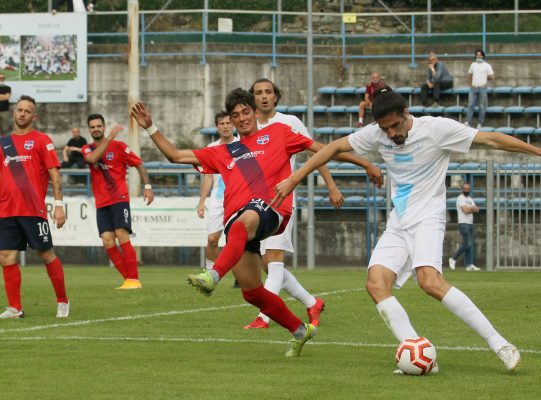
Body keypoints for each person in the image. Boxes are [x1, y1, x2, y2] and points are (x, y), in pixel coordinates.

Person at [272, 88, 541, 372]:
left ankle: (500, 343)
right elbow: (334, 147)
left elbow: (490, 139)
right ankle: (417, 351)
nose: (390, 134)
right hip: (400, 221)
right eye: (384, 129)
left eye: (395, 126)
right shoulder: (377, 133)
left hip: (428, 218)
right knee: (375, 284)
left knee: (429, 282)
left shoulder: (436, 129)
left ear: (406, 114)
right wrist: (294, 179)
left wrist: (537, 151)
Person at [130, 89, 380, 356]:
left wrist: (364, 163)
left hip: (272, 209)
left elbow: (325, 150)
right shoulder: (225, 151)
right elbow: (175, 156)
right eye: (235, 115)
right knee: (251, 292)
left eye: (245, 112)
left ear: (255, 113)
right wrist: (150, 127)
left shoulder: (278, 133)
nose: (241, 118)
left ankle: (213, 274)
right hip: (239, 223)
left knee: (243, 221)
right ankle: (299, 330)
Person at [245, 77, 356, 329]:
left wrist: (330, 185)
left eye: (268, 92)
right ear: (253, 98)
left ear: (276, 96)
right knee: (268, 265)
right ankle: (311, 302)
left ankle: (264, 317)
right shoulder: (249, 126)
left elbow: (316, 152)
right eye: (259, 92)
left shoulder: (289, 122)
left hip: (280, 201)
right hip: (254, 203)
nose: (264, 96)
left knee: (274, 259)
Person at [0, 95, 70, 319]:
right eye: (19, 110)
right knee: (6, 256)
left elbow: (54, 173)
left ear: (34, 116)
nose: (22, 114)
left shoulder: (41, 140)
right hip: (6, 210)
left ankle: (62, 301)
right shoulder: (3, 143)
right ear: (14, 112)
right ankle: (15, 308)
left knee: (46, 254)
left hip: (32, 209)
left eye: (26, 111)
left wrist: (58, 205)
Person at [82, 114, 154, 289]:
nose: (96, 129)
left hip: (119, 199)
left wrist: (148, 186)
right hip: (101, 202)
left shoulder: (119, 147)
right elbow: (91, 160)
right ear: (89, 129)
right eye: (92, 127)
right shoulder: (87, 148)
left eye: (99, 126)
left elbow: (139, 164)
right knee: (107, 240)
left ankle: (134, 279)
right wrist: (110, 138)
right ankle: (128, 280)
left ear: (104, 126)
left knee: (121, 234)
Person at [197, 111, 238, 285]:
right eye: (222, 123)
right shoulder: (212, 148)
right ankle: (210, 274)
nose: (226, 126)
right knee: (212, 239)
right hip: (218, 199)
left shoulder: (242, 145)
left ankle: (240, 276)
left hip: (237, 198)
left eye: (229, 122)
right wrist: (202, 201)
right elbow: (208, 176)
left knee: (236, 239)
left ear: (233, 124)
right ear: (217, 127)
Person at [449, 182, 480, 271]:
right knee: (467, 243)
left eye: (468, 189)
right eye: (465, 189)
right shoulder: (460, 198)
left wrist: (470, 209)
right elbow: (465, 210)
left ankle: (469, 264)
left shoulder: (470, 199)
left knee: (470, 244)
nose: (467, 190)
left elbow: (477, 209)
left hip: (470, 223)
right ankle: (453, 258)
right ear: (462, 189)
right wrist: (471, 209)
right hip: (463, 223)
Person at [466, 49, 494, 129]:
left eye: (480, 55)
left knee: (482, 106)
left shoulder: (487, 65)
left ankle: (480, 123)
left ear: (483, 56)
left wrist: (485, 78)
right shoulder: (473, 65)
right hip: (473, 88)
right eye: (477, 55)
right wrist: (470, 84)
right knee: (470, 105)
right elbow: (469, 75)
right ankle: (468, 122)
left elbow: (492, 76)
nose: (478, 56)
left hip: (482, 88)